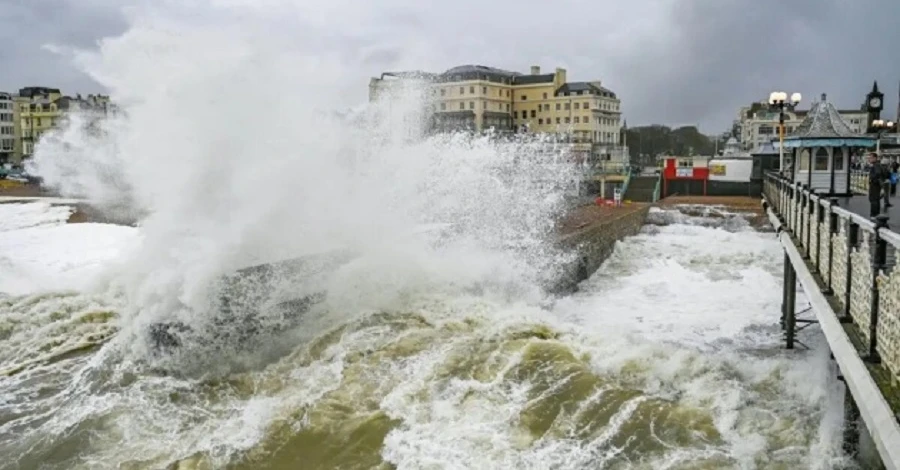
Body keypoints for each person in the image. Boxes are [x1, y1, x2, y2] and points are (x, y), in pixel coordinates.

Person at [867, 153, 886, 217]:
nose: (869, 159)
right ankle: (876, 215)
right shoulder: (876, 165)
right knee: (875, 200)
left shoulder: (876, 165)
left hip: (875, 185)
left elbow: (878, 175)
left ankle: (874, 215)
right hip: (875, 185)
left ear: (875, 158)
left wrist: (872, 177)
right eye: (869, 158)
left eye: (870, 158)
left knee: (874, 200)